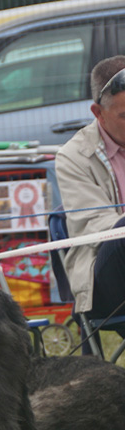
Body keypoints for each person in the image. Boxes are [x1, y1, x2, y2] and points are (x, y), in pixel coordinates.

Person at [55, 55, 125, 337]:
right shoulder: (72, 157)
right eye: (124, 115)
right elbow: (100, 227)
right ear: (98, 112)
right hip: (102, 274)